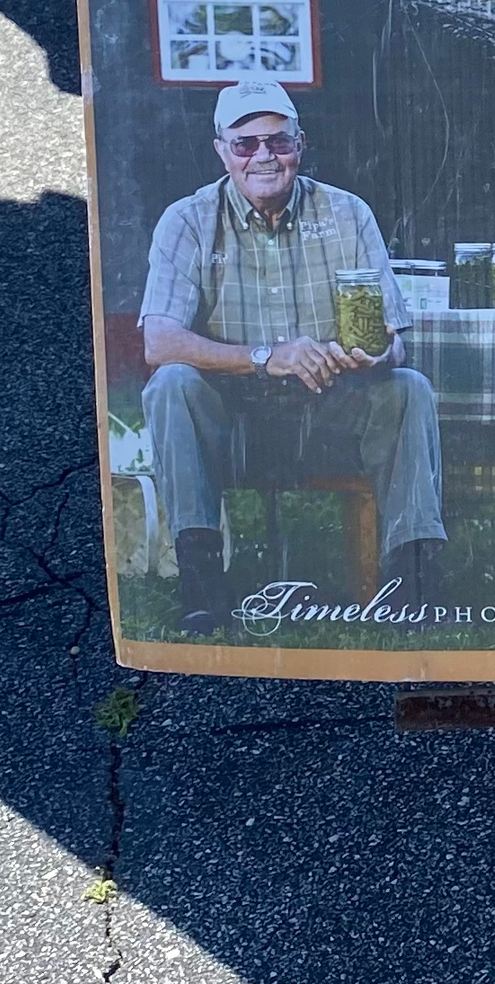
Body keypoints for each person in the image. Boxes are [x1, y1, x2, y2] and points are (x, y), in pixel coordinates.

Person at [139, 80, 447, 636]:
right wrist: (265, 357)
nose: (263, 156)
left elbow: (395, 341)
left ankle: (412, 582)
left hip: (329, 411)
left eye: (278, 142)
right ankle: (203, 586)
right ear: (221, 150)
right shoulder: (187, 220)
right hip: (230, 422)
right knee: (171, 385)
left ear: (300, 145)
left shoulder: (347, 213)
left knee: (408, 387)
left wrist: (370, 352)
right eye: (245, 144)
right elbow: (158, 341)